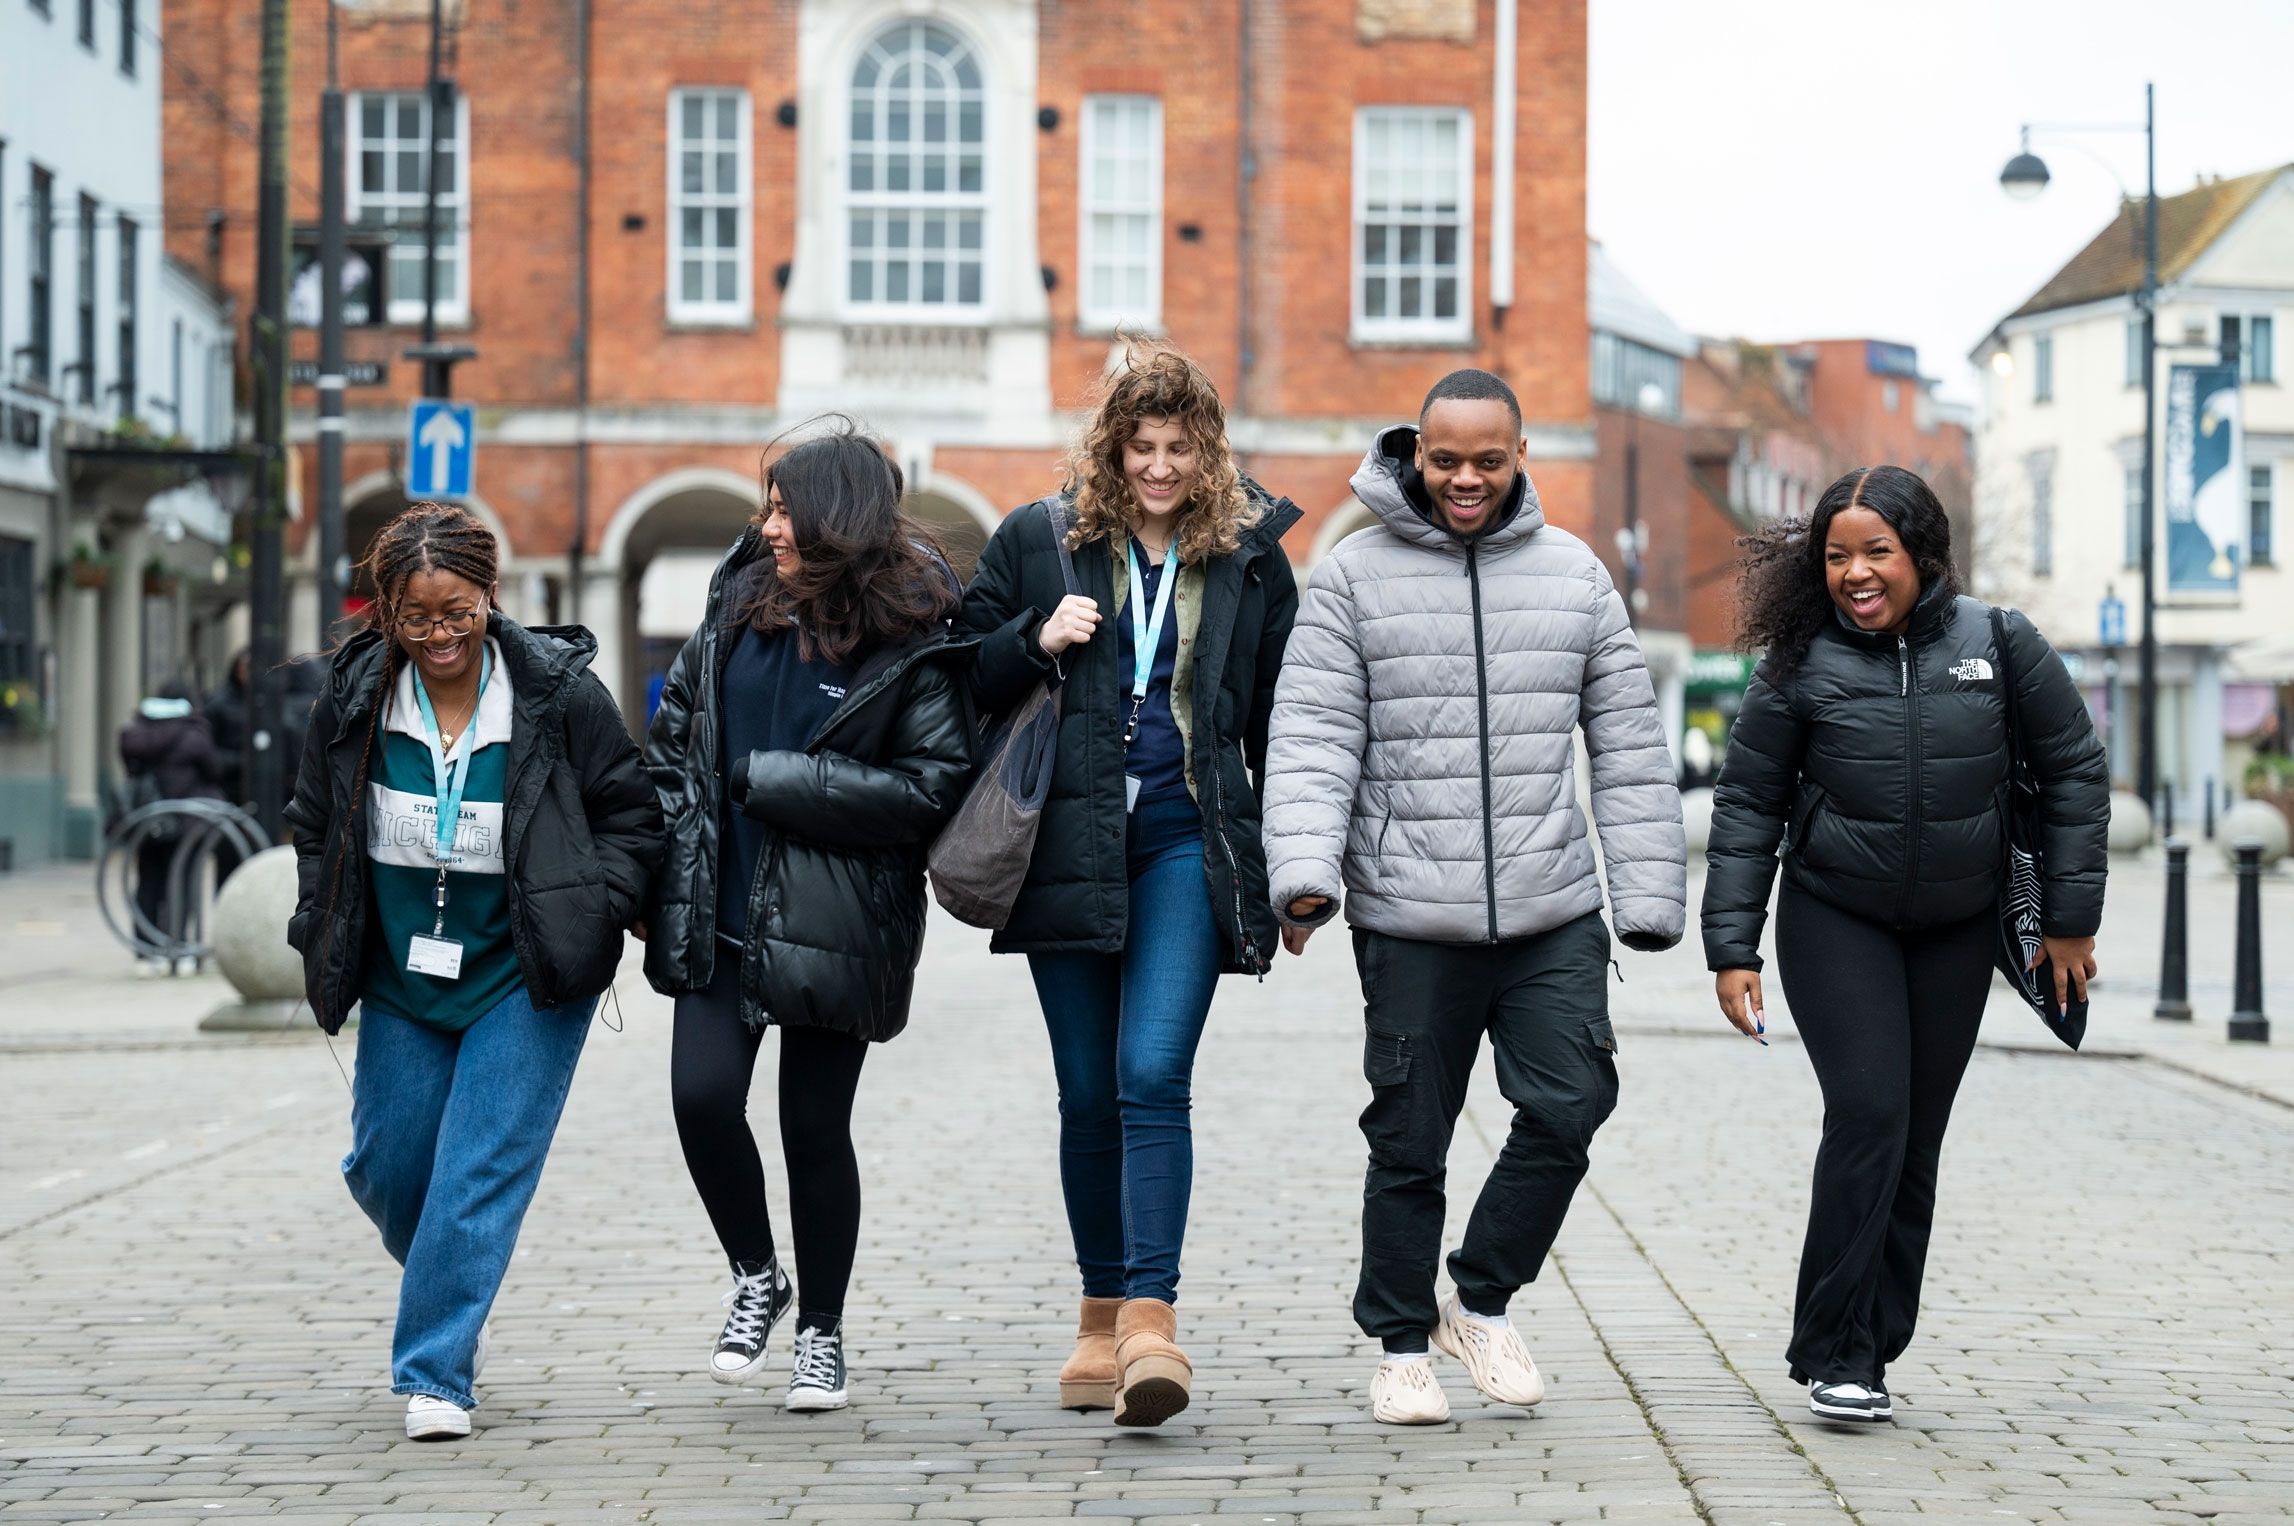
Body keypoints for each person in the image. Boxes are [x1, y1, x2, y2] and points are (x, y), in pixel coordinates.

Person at [1262, 368, 1686, 1426]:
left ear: (1516, 454)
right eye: (1443, 459)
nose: (1462, 478)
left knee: (1570, 1101)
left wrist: (1643, 892)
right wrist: (1305, 873)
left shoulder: (1576, 576)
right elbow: (1313, 738)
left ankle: (1480, 1296)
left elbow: (1629, 748)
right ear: (1415, 454)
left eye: (1484, 460)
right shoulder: (1351, 577)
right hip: (1410, 912)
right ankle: (1401, 1343)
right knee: (1410, 1133)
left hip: (1552, 907)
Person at [1701, 465, 2107, 1424]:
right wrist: (1733, 945)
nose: (1855, 574)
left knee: (1917, 1139)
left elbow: (2076, 770)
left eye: (1875, 552)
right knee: (1871, 1114)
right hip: (1835, 918)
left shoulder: (2000, 644)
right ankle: (1833, 1345)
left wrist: (2069, 921)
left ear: (1923, 554)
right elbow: (1749, 803)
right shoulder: (1797, 663)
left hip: (1958, 930)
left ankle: (1872, 1350)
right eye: (1836, 556)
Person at [957, 342, 1300, 1427]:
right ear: (1108, 449)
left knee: (1150, 1069)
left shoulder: (1248, 556)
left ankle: (1152, 1316)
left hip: (1184, 842)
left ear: (1208, 454)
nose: (1158, 468)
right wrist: (1030, 636)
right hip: (1063, 838)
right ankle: (1098, 1312)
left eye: (1178, 449)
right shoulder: (1037, 539)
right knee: (1085, 1090)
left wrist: (1292, 873)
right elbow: (958, 672)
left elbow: (1290, 720)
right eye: (1139, 447)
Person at [284, 502, 662, 1442]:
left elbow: (632, 817)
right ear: (384, 614)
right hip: (400, 975)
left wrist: (591, 907)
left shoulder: (558, 696)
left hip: (525, 974)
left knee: (475, 1173)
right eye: (417, 618)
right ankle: (454, 1280)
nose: (441, 635)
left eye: (458, 612)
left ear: (492, 597)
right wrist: (313, 919)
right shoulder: (356, 698)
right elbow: (313, 821)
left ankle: (437, 1374)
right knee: (388, 1168)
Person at [642, 425, 978, 1414]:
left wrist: (779, 782)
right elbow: (678, 734)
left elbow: (928, 786)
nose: (769, 524)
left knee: (811, 1128)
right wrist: (669, 845)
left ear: (836, 514)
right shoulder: (737, 602)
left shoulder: (909, 628)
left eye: (786, 507)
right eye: (769, 505)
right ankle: (757, 1272)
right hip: (720, 908)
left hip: (837, 917)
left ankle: (821, 1332)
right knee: (700, 1099)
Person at [118, 680, 225, 975]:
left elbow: (130, 765)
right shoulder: (194, 732)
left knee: (149, 882)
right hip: (188, 820)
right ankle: (181, 948)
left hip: (148, 820)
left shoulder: (137, 730)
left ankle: (147, 952)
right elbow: (213, 769)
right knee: (185, 882)